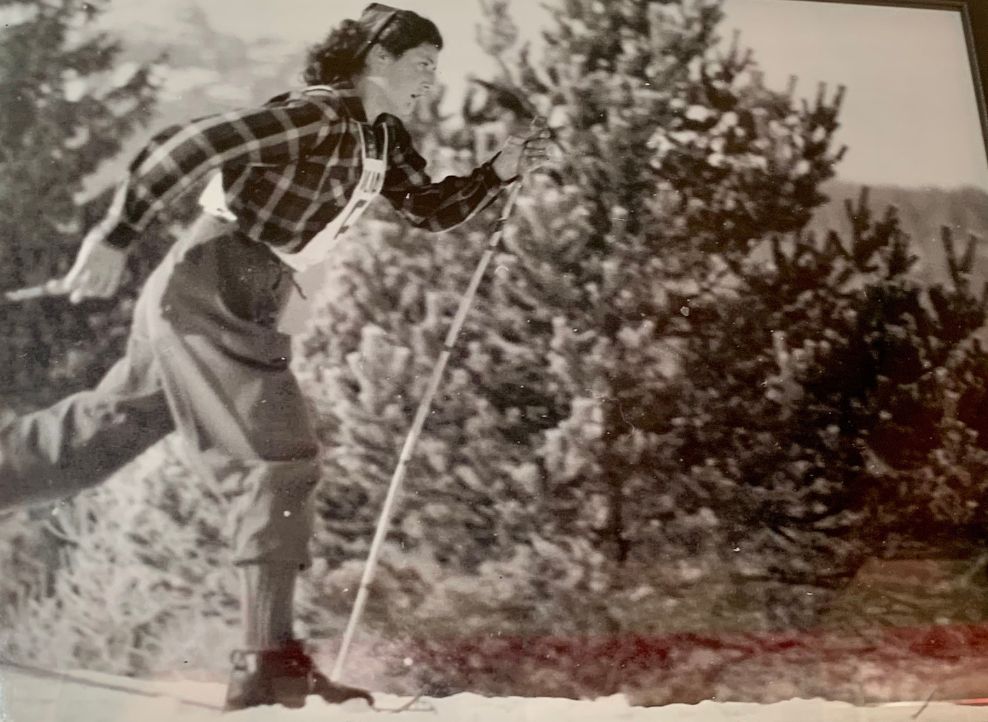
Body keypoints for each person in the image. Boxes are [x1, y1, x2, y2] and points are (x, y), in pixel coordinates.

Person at [0, 3, 551, 711]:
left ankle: (272, 658)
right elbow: (190, 142)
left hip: (235, 292)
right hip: (212, 281)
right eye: (421, 64)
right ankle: (269, 665)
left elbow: (427, 209)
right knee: (277, 457)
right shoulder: (319, 114)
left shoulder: (380, 137)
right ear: (375, 62)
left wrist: (497, 171)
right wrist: (116, 233)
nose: (430, 80)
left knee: (99, 434)